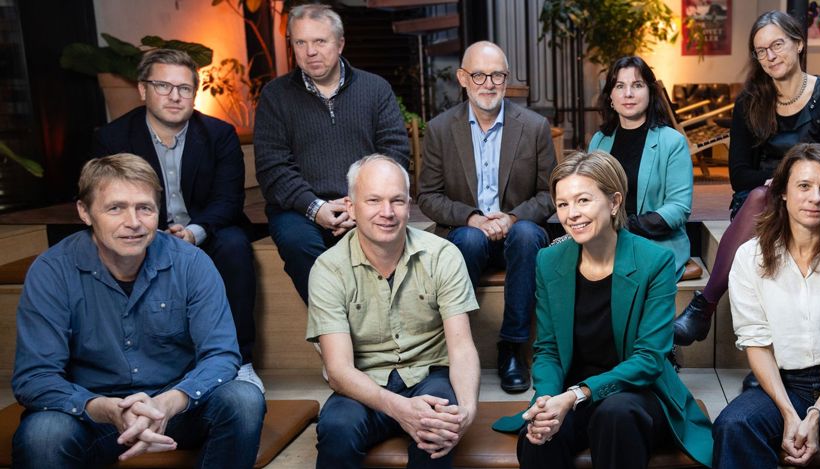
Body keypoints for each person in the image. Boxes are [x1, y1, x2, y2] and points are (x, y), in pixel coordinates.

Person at [11, 154, 265, 469]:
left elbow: (222, 356)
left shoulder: (191, 263)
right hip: (92, 416)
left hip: (174, 409)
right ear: (85, 212)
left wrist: (166, 404)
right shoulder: (52, 271)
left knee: (244, 400)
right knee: (42, 434)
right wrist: (104, 408)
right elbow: (34, 377)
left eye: (144, 208)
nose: (133, 222)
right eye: (115, 208)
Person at [491, 151, 714, 469]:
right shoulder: (549, 261)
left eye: (583, 200)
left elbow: (649, 360)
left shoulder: (654, 262)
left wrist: (574, 396)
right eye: (563, 204)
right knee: (539, 436)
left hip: (638, 393)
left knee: (615, 415)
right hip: (572, 394)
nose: (572, 214)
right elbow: (548, 349)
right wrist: (548, 401)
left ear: (614, 202)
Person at [674, 10, 820, 352]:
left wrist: (792, 183)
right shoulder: (750, 101)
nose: (770, 56)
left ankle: (704, 306)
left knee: (766, 203)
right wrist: (776, 184)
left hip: (816, 198)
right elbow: (739, 174)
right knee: (759, 198)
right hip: (760, 200)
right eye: (761, 50)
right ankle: (757, 351)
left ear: (798, 43)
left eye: (778, 45)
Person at [93, 49, 262, 392]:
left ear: (194, 93)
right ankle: (146, 365)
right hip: (141, 232)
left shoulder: (218, 134)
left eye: (184, 88)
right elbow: (105, 201)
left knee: (235, 245)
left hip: (204, 230)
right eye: (163, 86)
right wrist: (149, 234)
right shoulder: (113, 139)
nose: (174, 96)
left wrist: (193, 233)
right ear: (143, 90)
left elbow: (228, 200)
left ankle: (241, 361)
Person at [711, 143, 820, 468]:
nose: (815, 198)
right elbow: (757, 344)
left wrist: (816, 414)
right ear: (782, 192)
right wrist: (790, 415)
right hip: (782, 383)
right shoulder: (751, 257)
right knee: (734, 425)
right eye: (804, 186)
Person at [308, 155, 481, 468]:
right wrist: (400, 408)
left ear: (409, 205)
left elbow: (461, 346)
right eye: (373, 200)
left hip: (430, 373)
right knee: (336, 430)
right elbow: (338, 369)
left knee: (437, 425)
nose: (386, 213)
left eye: (397, 201)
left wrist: (467, 409)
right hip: (363, 381)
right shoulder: (328, 269)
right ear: (350, 207)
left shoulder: (443, 255)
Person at [418, 41, 555, 393]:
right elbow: (428, 196)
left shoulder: (535, 127)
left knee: (526, 235)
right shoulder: (439, 129)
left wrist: (511, 217)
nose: (488, 83)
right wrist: (471, 217)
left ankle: (512, 347)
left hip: (520, 234)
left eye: (497, 75)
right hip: (468, 234)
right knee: (467, 239)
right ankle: (455, 347)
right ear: (463, 78)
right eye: (478, 74)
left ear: (506, 80)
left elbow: (551, 194)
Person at [255, 3, 410, 303]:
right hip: (300, 209)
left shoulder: (376, 89)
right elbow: (273, 168)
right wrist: (316, 208)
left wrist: (361, 204)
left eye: (320, 41)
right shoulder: (275, 96)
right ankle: (334, 327)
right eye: (300, 42)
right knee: (298, 243)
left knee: (386, 238)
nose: (310, 51)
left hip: (365, 203)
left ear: (340, 44)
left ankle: (378, 325)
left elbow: (394, 156)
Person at [587, 56, 693, 279]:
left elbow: (678, 208)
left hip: (654, 241)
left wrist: (624, 226)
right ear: (610, 98)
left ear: (650, 93)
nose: (628, 94)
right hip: (605, 239)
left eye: (637, 85)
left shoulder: (672, 142)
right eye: (620, 86)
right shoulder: (599, 141)